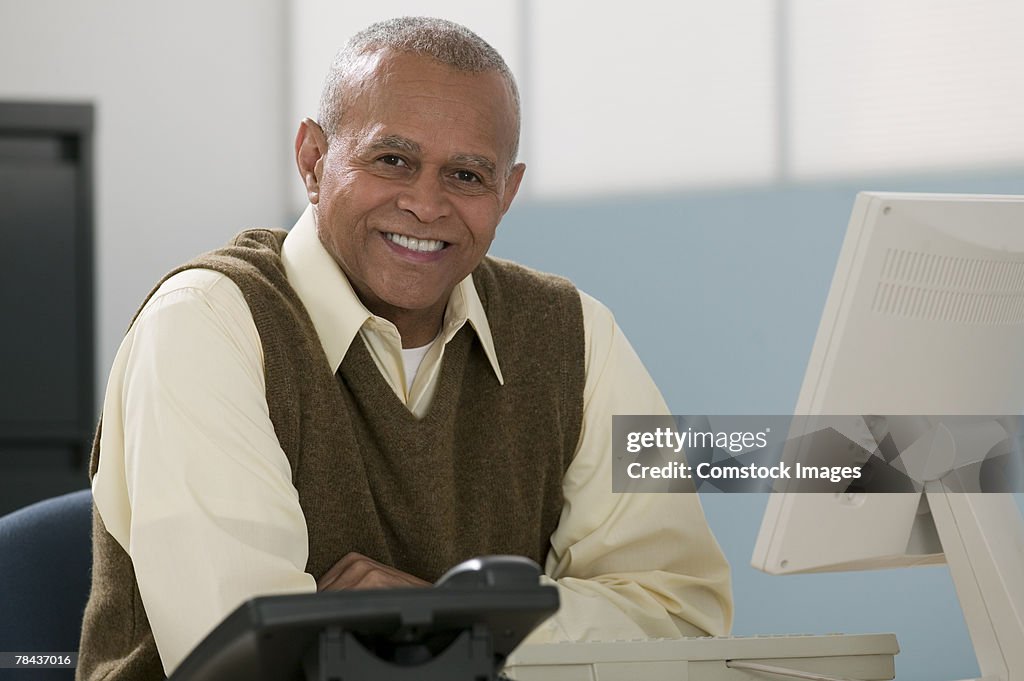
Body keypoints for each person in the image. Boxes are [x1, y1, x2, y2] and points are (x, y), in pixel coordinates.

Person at [76, 16, 732, 681]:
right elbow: (254, 660)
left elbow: (679, 616)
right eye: (393, 160)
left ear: (507, 191)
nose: (426, 204)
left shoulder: (577, 334)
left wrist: (443, 614)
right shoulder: (207, 324)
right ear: (312, 159)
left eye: (468, 175)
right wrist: (503, 636)